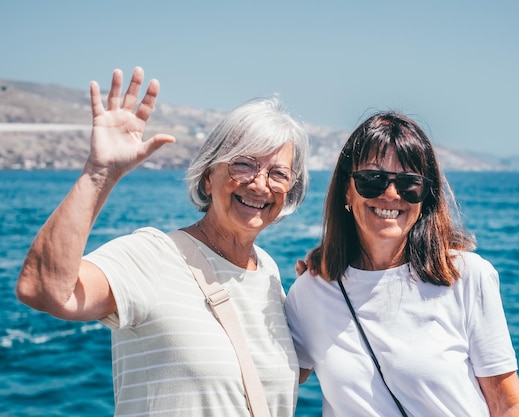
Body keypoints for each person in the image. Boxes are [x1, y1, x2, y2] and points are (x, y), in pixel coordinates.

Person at [15, 67, 309, 417]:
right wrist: (99, 174)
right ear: (207, 178)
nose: (260, 184)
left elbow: (271, 375)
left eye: (278, 174)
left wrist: (325, 295)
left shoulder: (269, 273)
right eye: (243, 165)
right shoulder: (153, 256)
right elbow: (43, 289)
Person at [285, 111, 519, 416]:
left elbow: (506, 402)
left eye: (409, 184)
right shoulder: (313, 290)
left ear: (425, 196)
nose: (390, 194)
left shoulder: (467, 277)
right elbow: (272, 379)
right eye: (372, 180)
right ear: (347, 188)